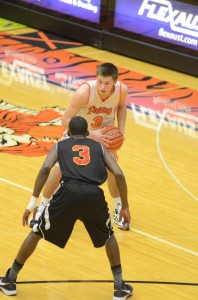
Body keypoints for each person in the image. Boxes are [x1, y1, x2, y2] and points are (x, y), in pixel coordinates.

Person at [0, 116, 133, 299]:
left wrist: (33, 202)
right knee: (109, 237)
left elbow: (46, 169)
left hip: (67, 193)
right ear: (87, 134)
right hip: (93, 194)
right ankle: (119, 287)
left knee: (37, 232)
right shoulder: (100, 147)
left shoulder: (61, 145)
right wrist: (124, 206)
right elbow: (118, 173)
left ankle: (10, 279)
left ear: (68, 133)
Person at [37, 62, 129, 229]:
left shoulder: (122, 91)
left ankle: (118, 208)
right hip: (79, 131)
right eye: (99, 81)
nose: (102, 86)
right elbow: (65, 120)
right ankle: (42, 208)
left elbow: (122, 107)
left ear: (114, 82)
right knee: (58, 169)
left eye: (107, 83)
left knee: (113, 170)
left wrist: (121, 131)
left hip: (105, 135)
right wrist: (92, 134)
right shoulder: (84, 92)